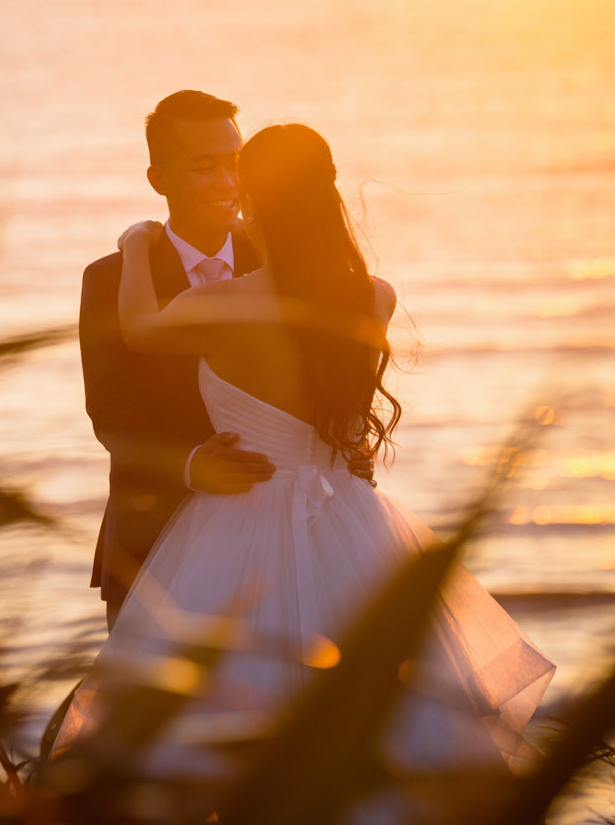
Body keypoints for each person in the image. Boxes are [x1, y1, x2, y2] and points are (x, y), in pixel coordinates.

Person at [57, 123, 554, 804]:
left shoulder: (223, 305)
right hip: (353, 519)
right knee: (386, 709)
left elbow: (141, 326)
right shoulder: (374, 296)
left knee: (211, 730)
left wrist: (135, 245)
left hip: (236, 523)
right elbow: (347, 424)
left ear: (256, 201)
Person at [79, 90, 374, 632]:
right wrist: (191, 464)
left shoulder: (289, 261)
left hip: (303, 534)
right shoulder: (110, 279)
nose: (228, 181)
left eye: (236, 163)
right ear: (159, 179)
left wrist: (347, 439)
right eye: (204, 167)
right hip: (155, 540)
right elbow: (110, 413)